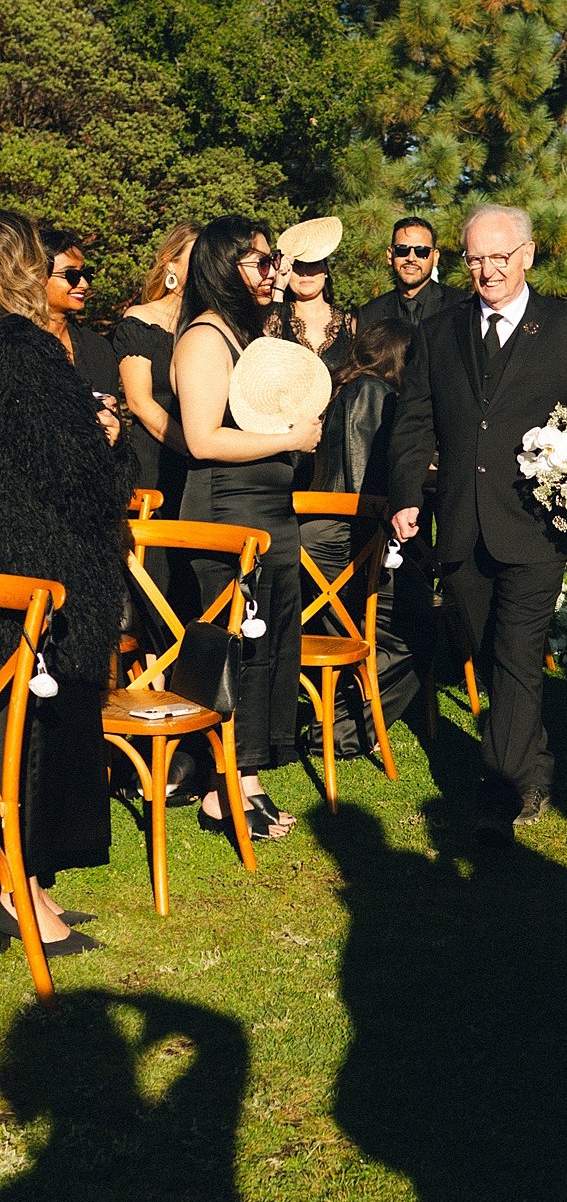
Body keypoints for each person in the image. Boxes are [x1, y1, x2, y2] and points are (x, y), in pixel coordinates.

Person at [388, 204, 567, 843]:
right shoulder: (441, 333)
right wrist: (407, 493)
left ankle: (499, 794)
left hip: (534, 525)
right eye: (475, 258)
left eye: (500, 257)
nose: (488, 270)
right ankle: (534, 761)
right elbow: (414, 419)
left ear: (527, 255)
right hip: (462, 525)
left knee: (517, 651)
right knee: (483, 647)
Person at [0, 211, 131, 955]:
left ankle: (32, 884)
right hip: (41, 575)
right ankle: (19, 892)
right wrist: (104, 446)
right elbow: (77, 479)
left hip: (9, 572)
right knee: (34, 742)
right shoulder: (24, 352)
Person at [171, 217, 323, 842]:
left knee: (268, 645)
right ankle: (220, 786)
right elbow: (203, 438)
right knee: (233, 649)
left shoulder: (246, 329)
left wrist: (282, 292)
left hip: (267, 507)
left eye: (272, 261)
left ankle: (246, 777)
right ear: (222, 266)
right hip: (224, 511)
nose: (272, 272)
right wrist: (289, 437)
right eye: (260, 262)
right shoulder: (205, 338)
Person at [302, 318, 434, 757]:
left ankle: (337, 719)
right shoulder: (373, 393)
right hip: (347, 534)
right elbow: (361, 478)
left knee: (376, 627)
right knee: (412, 626)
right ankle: (340, 730)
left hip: (318, 534)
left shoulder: (342, 388)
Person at [112, 222, 199, 514]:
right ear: (169, 262)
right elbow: (139, 402)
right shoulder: (140, 320)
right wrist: (193, 447)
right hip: (156, 462)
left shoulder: (212, 324)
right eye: (196, 256)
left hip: (205, 470)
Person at [38, 223, 120, 403]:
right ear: (37, 276)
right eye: (71, 275)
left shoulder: (97, 349)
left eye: (87, 274)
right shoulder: (13, 343)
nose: (84, 284)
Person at [268, 216, 356, 376]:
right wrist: (279, 285)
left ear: (326, 270)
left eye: (313, 264)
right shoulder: (276, 315)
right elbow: (263, 353)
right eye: (298, 266)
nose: (306, 273)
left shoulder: (350, 324)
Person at [359, 216, 453, 332]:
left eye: (421, 251)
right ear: (389, 255)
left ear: (435, 257)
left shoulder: (460, 306)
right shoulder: (369, 315)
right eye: (402, 250)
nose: (411, 258)